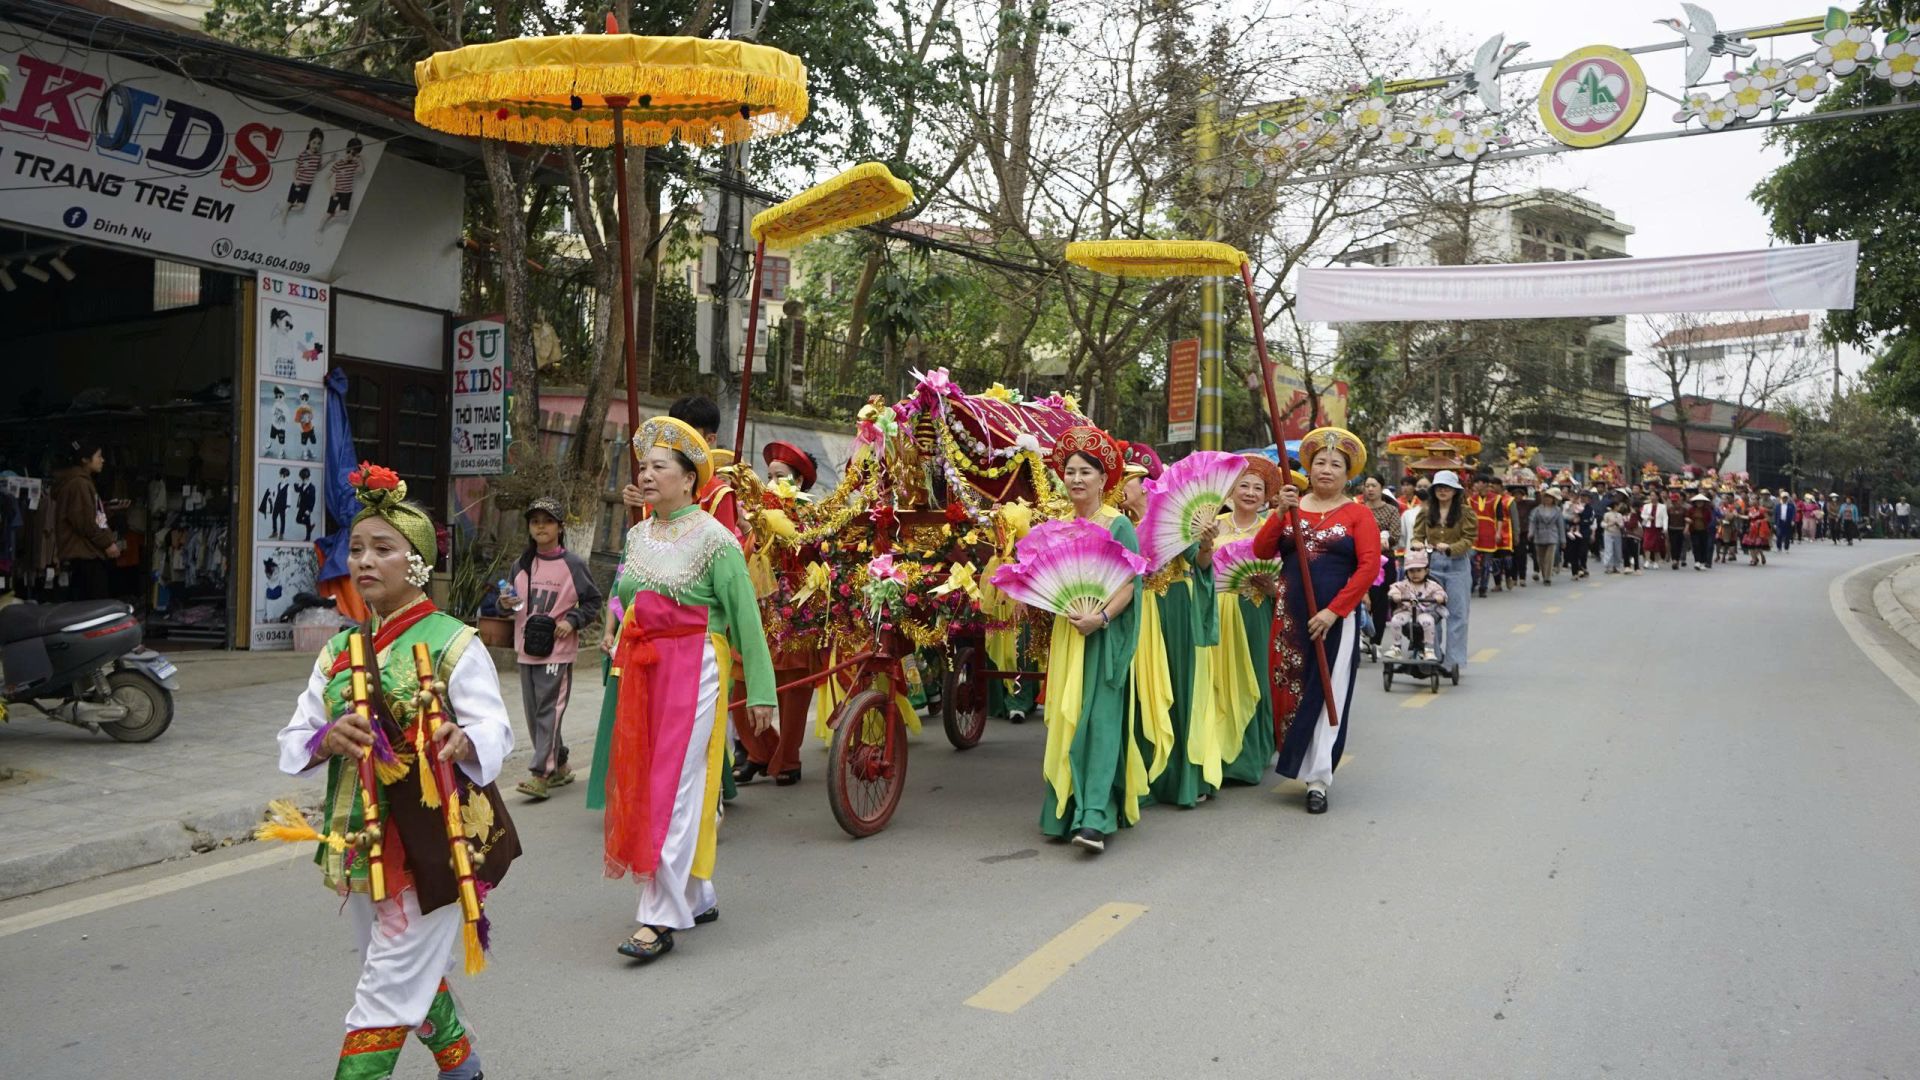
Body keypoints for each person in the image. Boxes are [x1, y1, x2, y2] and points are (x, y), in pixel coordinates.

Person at [269, 462, 519, 1080]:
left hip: (432, 846)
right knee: (392, 967)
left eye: (384, 548)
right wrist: (328, 738)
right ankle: (462, 1065)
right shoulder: (337, 651)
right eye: (356, 548)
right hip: (359, 841)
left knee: (382, 992)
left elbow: (496, 730)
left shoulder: (454, 642)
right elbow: (295, 739)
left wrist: (463, 741)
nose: (364, 561)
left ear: (417, 563)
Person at [594, 417, 775, 962]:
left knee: (671, 784)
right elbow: (627, 590)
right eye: (643, 467)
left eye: (659, 467)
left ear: (690, 477)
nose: (646, 476)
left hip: (694, 664)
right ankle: (696, 894)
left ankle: (659, 915)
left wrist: (761, 691)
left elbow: (745, 616)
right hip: (643, 665)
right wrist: (613, 622)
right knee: (664, 780)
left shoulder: (718, 540)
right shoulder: (637, 533)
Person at [1254, 427, 1381, 815]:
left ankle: (1318, 779)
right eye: (1320, 463)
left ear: (1349, 474)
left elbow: (1368, 568)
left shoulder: (1358, 514)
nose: (1327, 469)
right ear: (1308, 468)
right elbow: (1261, 549)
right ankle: (1293, 758)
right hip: (1288, 618)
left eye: (1336, 464)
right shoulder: (1291, 507)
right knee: (1289, 688)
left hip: (1334, 621)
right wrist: (1278, 514)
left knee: (1328, 694)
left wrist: (1333, 611)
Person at [1038, 427, 1144, 853]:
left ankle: (1095, 817)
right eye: (1070, 471)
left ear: (1104, 480)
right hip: (1069, 635)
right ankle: (1064, 809)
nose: (1076, 478)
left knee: (1099, 723)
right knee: (1066, 720)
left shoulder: (1118, 525)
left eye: (1086, 472)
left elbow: (1130, 584)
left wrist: (1099, 618)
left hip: (1103, 635)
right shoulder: (1055, 526)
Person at [499, 497, 603, 801]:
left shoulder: (573, 565)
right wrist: (505, 604)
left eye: (547, 521)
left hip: (557, 652)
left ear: (560, 527)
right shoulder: (521, 564)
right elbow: (511, 604)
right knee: (535, 715)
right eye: (535, 521)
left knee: (548, 711)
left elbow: (593, 602)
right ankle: (559, 765)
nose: (540, 527)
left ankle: (540, 775)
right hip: (525, 649)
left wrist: (572, 620)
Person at [735, 441, 822, 786]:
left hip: (795, 618)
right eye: (768, 476)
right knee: (740, 688)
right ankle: (762, 751)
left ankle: (788, 759)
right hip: (757, 620)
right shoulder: (757, 517)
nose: (771, 483)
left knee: (792, 696)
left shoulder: (810, 518)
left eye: (780, 476)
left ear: (799, 482)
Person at [1144, 448, 1222, 811]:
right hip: (1135, 611)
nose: (1138, 489)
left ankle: (1183, 779)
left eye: (1142, 482)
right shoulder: (1115, 522)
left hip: (1173, 607)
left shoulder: (1176, 518)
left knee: (1179, 688)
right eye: (1131, 481)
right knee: (1142, 695)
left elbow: (1201, 562)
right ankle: (1141, 776)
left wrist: (1206, 542)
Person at [1216, 455, 1284, 786]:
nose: (1250, 492)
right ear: (1231, 490)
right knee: (1217, 681)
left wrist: (1272, 588)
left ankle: (1251, 754)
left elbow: (1289, 579)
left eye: (1258, 487)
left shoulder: (1272, 530)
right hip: (1217, 612)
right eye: (1244, 485)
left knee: (1255, 677)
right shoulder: (1215, 526)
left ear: (1267, 495)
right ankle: (1217, 752)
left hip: (1255, 611)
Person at [1413, 470, 1476, 673]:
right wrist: (1417, 544)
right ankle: (1434, 657)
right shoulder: (1425, 511)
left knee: (1457, 614)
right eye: (1439, 487)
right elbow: (1417, 536)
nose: (1442, 491)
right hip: (1433, 564)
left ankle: (1453, 662)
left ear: (1455, 491)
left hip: (1457, 564)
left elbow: (1469, 539)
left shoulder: (1466, 512)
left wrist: (1450, 548)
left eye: (1447, 487)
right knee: (1430, 612)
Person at [49, 440, 120, 600]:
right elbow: (86, 522)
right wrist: (107, 543)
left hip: (85, 554)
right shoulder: (79, 484)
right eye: (99, 456)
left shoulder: (81, 482)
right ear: (85, 460)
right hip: (85, 555)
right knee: (93, 609)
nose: (103, 460)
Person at [1384, 547, 1447, 661]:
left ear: (1426, 571)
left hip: (1424, 611)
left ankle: (1429, 649)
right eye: (1411, 571)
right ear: (1407, 572)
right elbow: (1394, 589)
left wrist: (1439, 597)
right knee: (1395, 620)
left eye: (1419, 570)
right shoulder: (1404, 584)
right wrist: (1396, 595)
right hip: (1407, 611)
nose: (1415, 574)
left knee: (1428, 622)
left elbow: (1441, 592)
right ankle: (1396, 647)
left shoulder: (1431, 585)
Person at [1469, 473, 1503, 599]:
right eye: (1475, 483)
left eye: (1478, 483)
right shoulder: (1471, 499)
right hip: (1474, 534)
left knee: (1486, 564)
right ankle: (1472, 582)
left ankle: (1483, 587)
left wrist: (1499, 532)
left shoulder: (1496, 498)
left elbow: (1500, 517)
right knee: (1470, 559)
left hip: (1489, 533)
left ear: (1484, 484)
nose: (1475, 485)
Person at [1528, 488, 1566, 586]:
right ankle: (1544, 574)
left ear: (1554, 499)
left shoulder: (1557, 510)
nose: (1548, 500)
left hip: (1552, 536)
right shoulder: (1537, 510)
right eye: (1546, 498)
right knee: (1540, 559)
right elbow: (1532, 522)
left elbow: (1561, 525)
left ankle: (1547, 578)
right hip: (1539, 535)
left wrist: (1563, 540)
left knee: (1549, 558)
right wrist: (1531, 533)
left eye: (1550, 498)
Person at [1687, 493, 1715, 570]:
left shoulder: (1707, 510)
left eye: (1701, 502)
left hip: (1704, 530)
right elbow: (1688, 517)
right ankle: (1697, 561)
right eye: (1698, 501)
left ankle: (1703, 562)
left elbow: (1709, 519)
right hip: (1694, 530)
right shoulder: (1691, 510)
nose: (1699, 503)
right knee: (1696, 545)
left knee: (1703, 546)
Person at [1743, 497, 1773, 566]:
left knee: (1757, 545)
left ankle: (1759, 556)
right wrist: (1739, 516)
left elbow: (1767, 519)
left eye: (1754, 499)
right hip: (1751, 529)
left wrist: (1761, 521)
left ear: (1757, 501)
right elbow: (1748, 517)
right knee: (1750, 545)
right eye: (1751, 499)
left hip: (1759, 529)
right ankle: (1754, 559)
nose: (1752, 501)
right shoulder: (1750, 509)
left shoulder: (1762, 510)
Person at [1600, 498, 1627, 574]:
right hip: (1608, 533)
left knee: (1617, 550)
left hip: (1617, 534)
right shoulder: (1607, 514)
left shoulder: (1620, 515)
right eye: (1618, 506)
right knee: (1609, 550)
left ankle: (1616, 566)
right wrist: (1609, 525)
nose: (1619, 507)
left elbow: (1622, 525)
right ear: (1614, 506)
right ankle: (1608, 566)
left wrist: (1619, 524)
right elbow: (1603, 523)